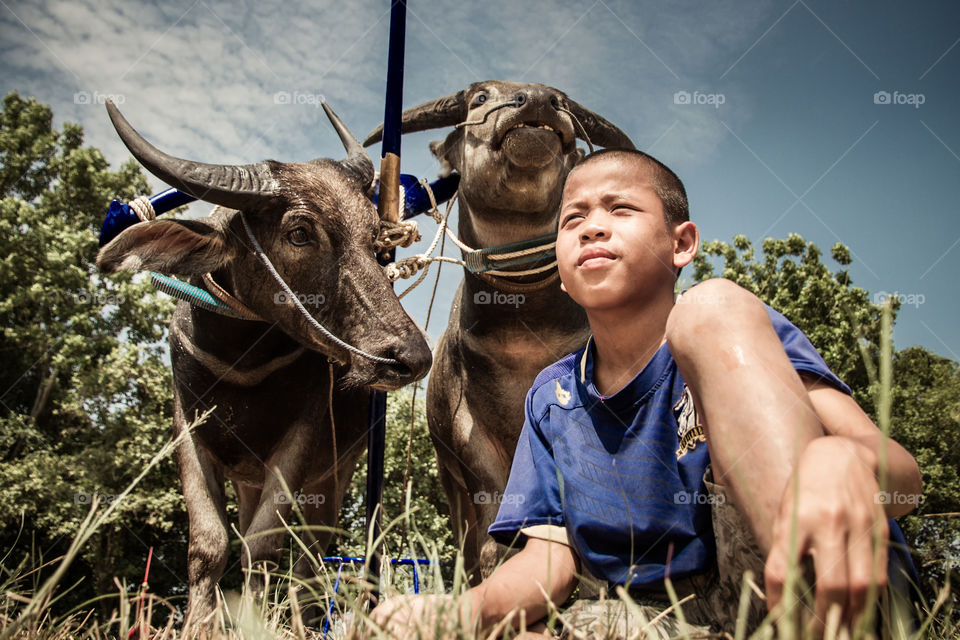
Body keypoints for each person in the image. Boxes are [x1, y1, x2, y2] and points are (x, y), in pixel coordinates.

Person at [366, 149, 923, 638]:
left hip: (790, 595)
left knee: (710, 306)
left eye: (620, 209)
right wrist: (453, 615)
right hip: (646, 618)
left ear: (681, 243)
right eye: (573, 219)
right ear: (560, 269)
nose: (592, 228)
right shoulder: (552, 395)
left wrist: (841, 458)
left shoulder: (730, 328)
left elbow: (901, 476)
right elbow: (548, 563)